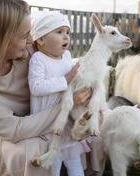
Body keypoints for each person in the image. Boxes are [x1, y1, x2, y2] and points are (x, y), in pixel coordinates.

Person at [0, 0, 93, 176]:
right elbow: (13, 130)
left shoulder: (29, 51)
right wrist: (67, 103)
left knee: (90, 121)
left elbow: (61, 64)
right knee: (33, 149)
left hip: (40, 114)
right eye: (25, 35)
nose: (32, 40)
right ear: (0, 40)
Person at [29, 10, 90, 176]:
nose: (66, 37)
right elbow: (36, 86)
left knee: (73, 160)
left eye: (68, 32)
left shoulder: (67, 56)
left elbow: (74, 77)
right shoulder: (38, 59)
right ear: (40, 39)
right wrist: (66, 79)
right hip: (47, 121)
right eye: (59, 32)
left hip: (66, 118)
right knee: (53, 164)